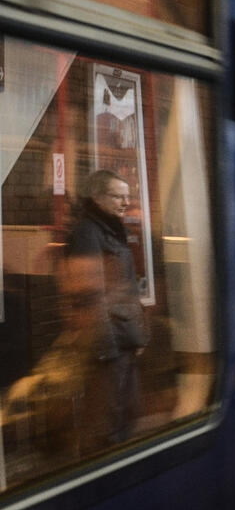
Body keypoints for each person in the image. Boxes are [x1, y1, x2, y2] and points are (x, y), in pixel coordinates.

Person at [65, 169, 148, 449]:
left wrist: (138, 336)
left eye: (128, 196)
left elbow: (126, 289)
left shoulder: (112, 228)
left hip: (124, 339)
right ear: (97, 197)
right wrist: (106, 351)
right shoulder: (87, 233)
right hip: (109, 346)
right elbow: (90, 296)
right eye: (117, 196)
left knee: (125, 417)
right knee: (106, 427)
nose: (125, 202)